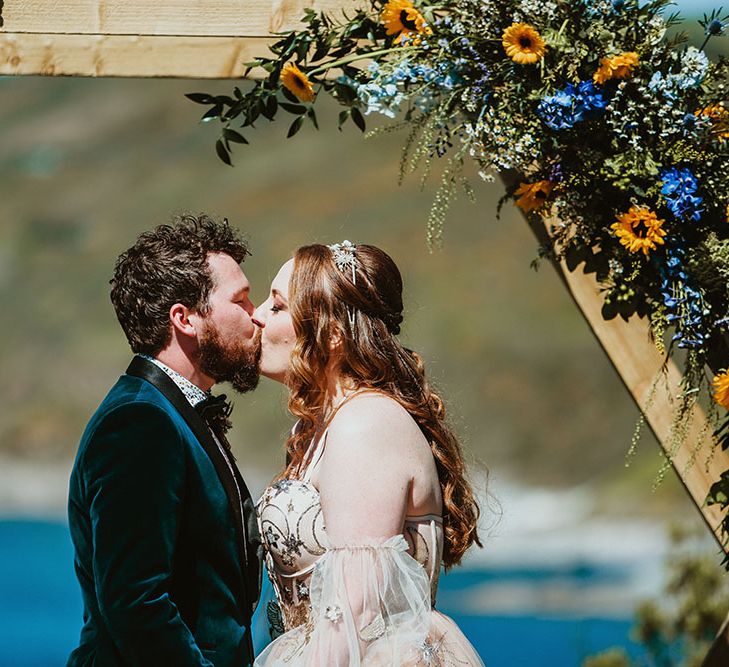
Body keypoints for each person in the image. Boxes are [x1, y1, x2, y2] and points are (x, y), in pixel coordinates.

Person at [251, 241, 485, 665]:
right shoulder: (319, 426)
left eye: (277, 306)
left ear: (333, 334)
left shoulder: (365, 424)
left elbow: (356, 611)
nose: (257, 314)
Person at [67, 214, 263, 667]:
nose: (254, 315)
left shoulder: (167, 412)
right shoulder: (139, 422)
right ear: (186, 319)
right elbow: (135, 602)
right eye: (240, 299)